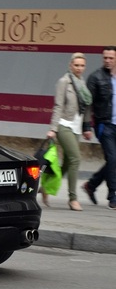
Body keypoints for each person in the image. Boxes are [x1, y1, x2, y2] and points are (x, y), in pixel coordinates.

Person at [43, 52, 93, 211]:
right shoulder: (64, 82)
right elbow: (58, 106)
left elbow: (86, 107)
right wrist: (53, 128)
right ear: (71, 66)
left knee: (67, 163)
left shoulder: (82, 82)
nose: (79, 68)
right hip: (64, 125)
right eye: (76, 65)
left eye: (82, 65)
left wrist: (86, 127)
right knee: (76, 159)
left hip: (77, 127)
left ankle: (45, 186)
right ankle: (73, 199)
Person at [84, 46, 116, 209]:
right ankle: (113, 196)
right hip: (105, 125)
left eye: (111, 58)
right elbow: (87, 105)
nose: (108, 61)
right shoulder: (95, 77)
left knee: (114, 160)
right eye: (105, 58)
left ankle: (91, 185)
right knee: (112, 158)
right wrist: (87, 126)